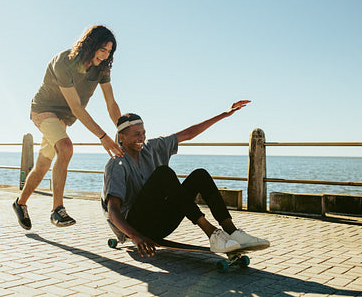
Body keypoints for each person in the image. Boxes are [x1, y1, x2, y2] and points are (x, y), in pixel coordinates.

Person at [101, 100, 270, 257]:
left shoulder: (151, 148)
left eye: (143, 133)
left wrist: (224, 114)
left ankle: (232, 231)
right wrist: (136, 237)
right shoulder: (116, 164)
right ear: (121, 137)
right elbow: (113, 211)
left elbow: (188, 134)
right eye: (136, 134)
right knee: (163, 174)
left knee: (200, 175)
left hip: (160, 222)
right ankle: (212, 234)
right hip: (136, 226)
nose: (142, 138)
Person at [13, 25, 124, 230]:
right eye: (102, 49)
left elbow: (111, 103)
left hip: (63, 118)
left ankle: (20, 203)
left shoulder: (102, 68)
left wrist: (122, 130)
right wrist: (103, 137)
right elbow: (76, 107)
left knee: (43, 164)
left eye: (109, 51)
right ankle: (57, 210)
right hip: (43, 110)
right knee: (65, 147)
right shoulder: (65, 61)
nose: (105, 54)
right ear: (90, 44)